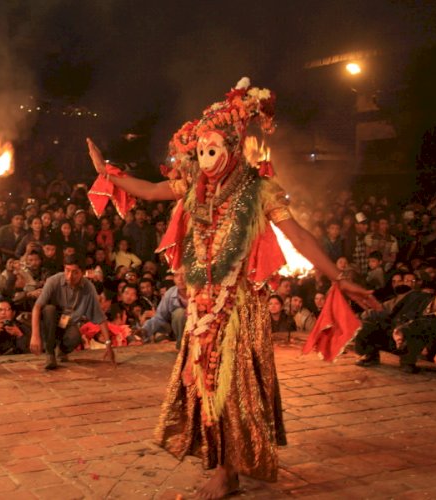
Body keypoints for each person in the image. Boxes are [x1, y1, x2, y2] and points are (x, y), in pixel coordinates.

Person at [87, 77, 376, 498]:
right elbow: (148, 191)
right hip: (201, 304)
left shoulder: (259, 190)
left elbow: (298, 237)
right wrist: (106, 172)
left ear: (233, 149)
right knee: (203, 382)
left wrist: (339, 277)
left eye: (213, 150)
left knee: (231, 384)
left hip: (239, 305)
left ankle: (228, 471)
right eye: (201, 152)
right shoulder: (194, 188)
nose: (205, 160)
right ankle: (225, 462)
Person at [30, 254, 114, 370]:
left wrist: (108, 344)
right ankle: (50, 354)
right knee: (49, 310)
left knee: (75, 337)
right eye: (67, 270)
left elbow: (100, 317)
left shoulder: (88, 287)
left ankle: (61, 351)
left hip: (68, 324)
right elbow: (37, 307)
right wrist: (35, 335)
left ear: (82, 273)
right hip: (49, 323)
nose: (70, 276)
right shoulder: (53, 281)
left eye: (75, 272)